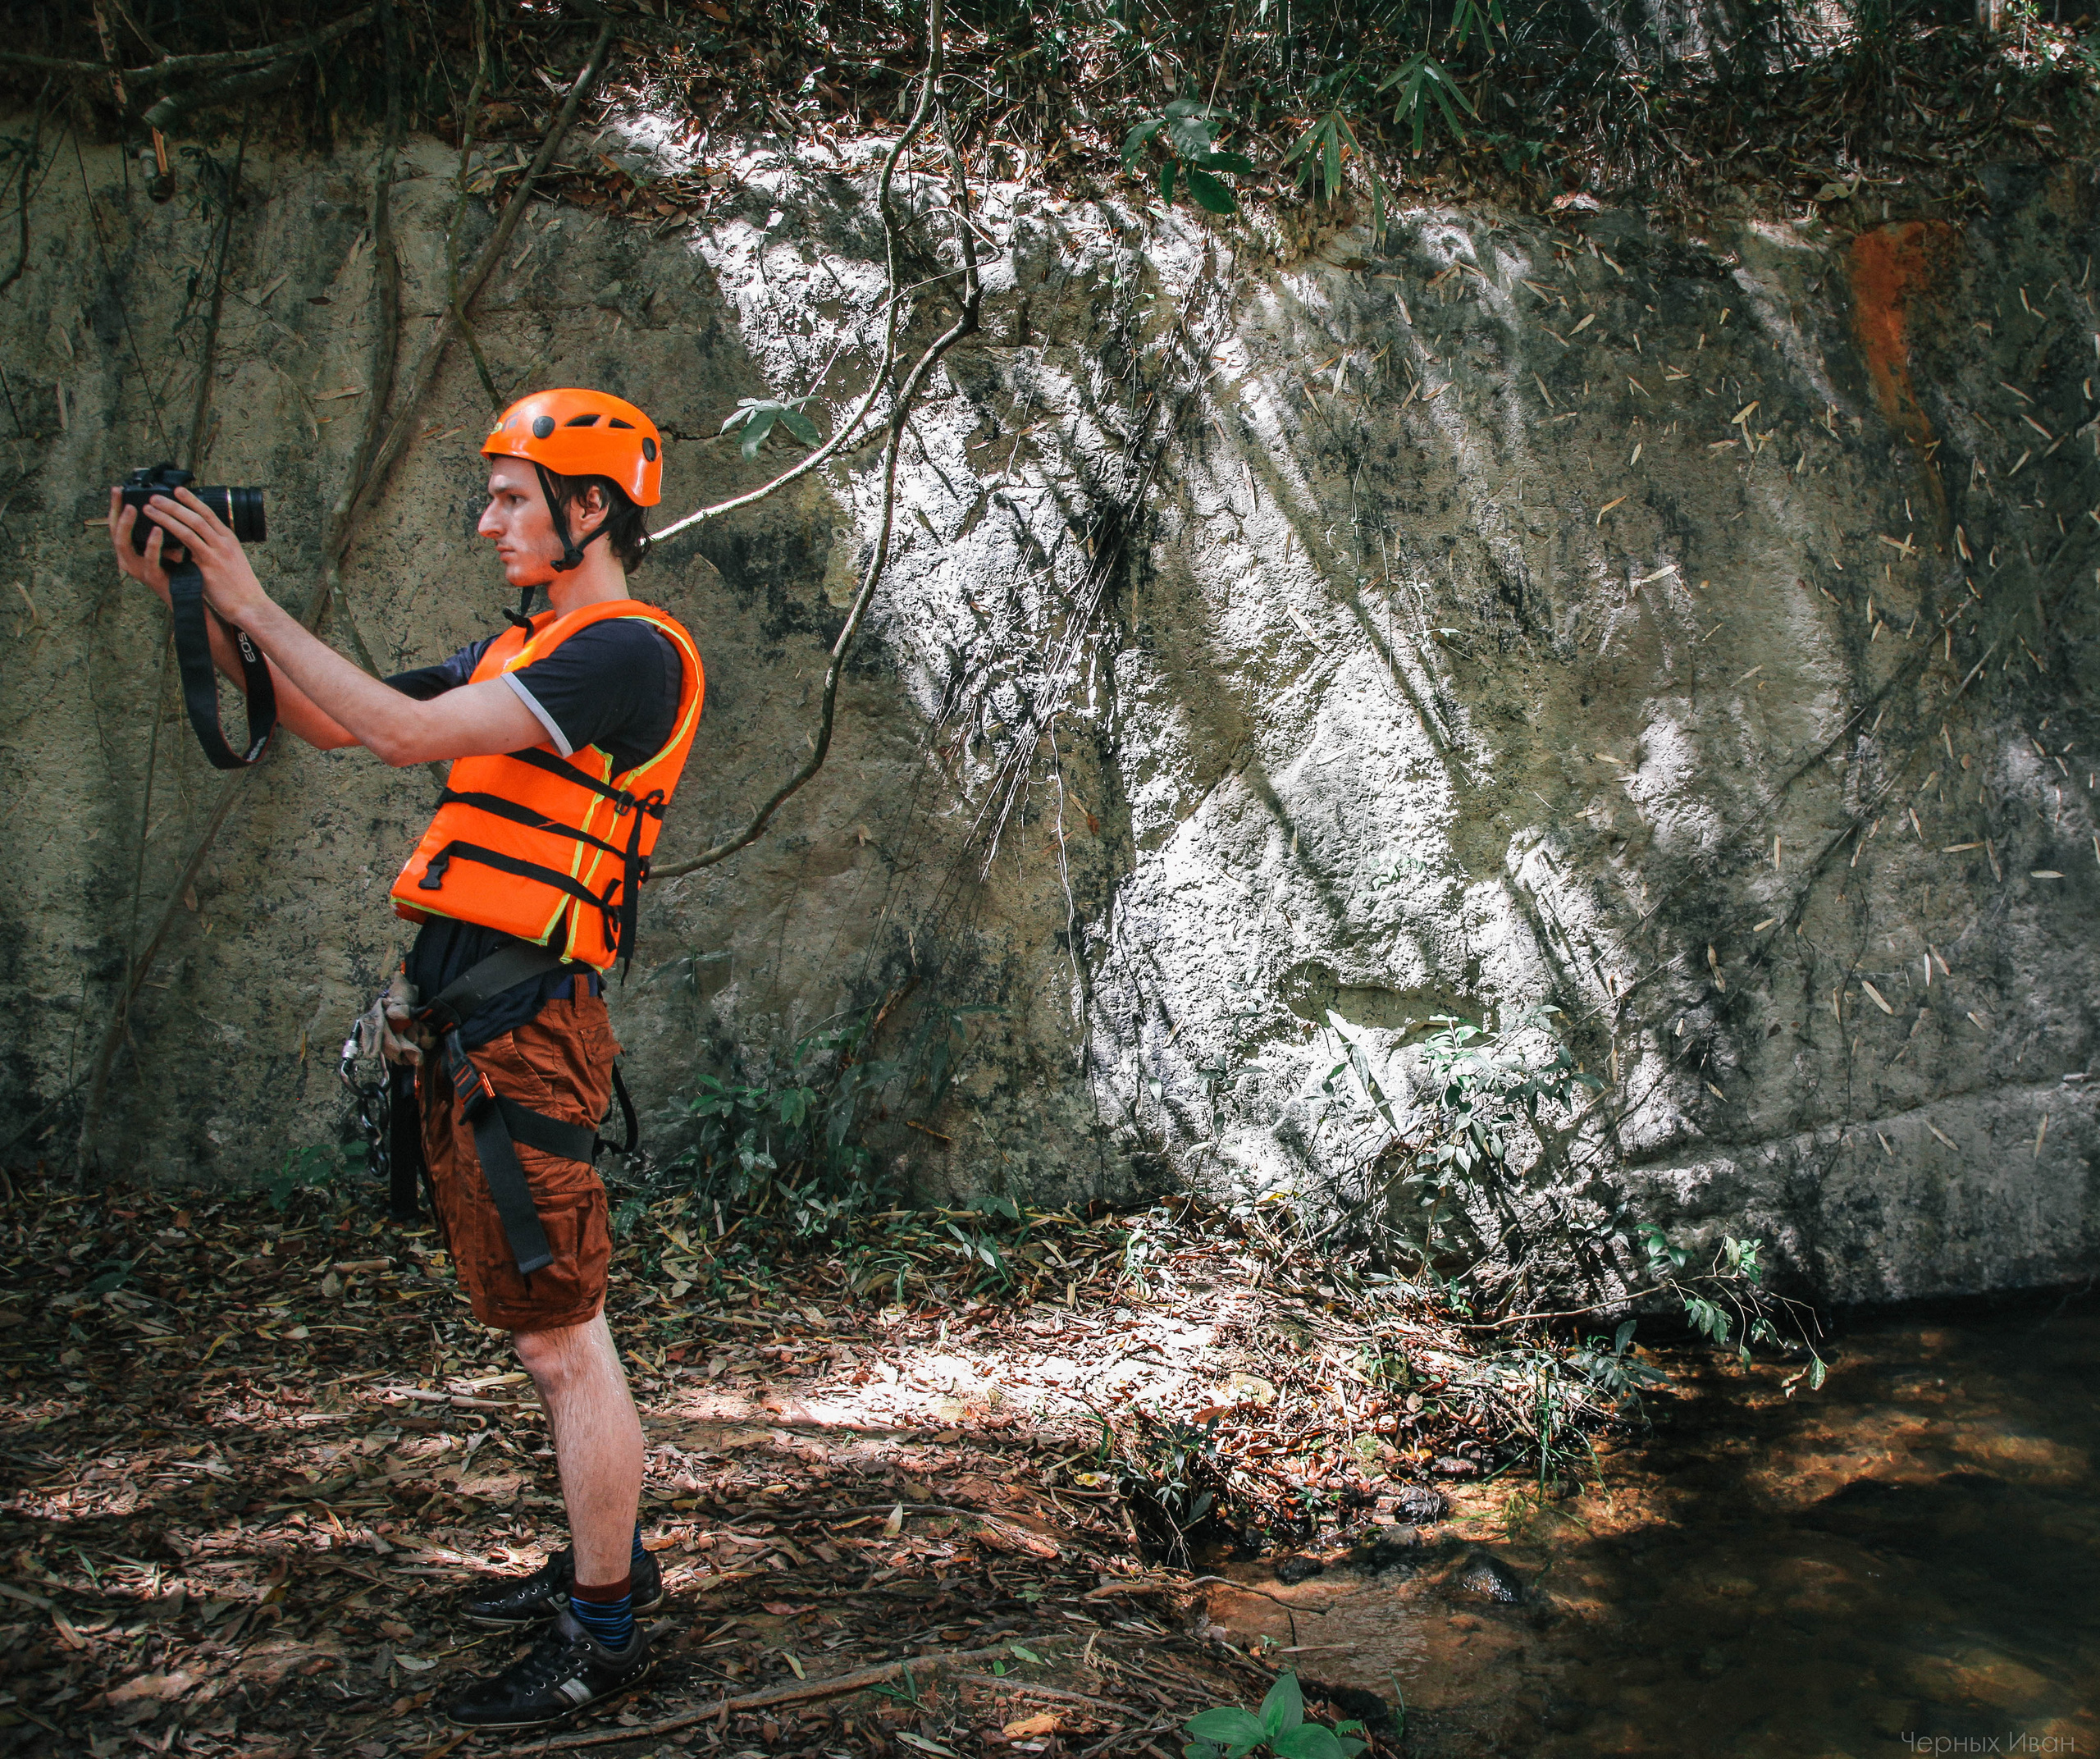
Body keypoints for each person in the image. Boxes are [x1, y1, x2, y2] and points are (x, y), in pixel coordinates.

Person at [108, 389, 705, 1730]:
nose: (488, 518)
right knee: (541, 1327)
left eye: (513, 496)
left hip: (530, 1030)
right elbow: (334, 720)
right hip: (474, 1029)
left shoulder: (625, 654)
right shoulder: (519, 646)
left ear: (590, 507)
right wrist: (199, 601)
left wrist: (255, 601)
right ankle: (599, 1564)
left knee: (563, 1339)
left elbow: (401, 733)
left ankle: (605, 1630)